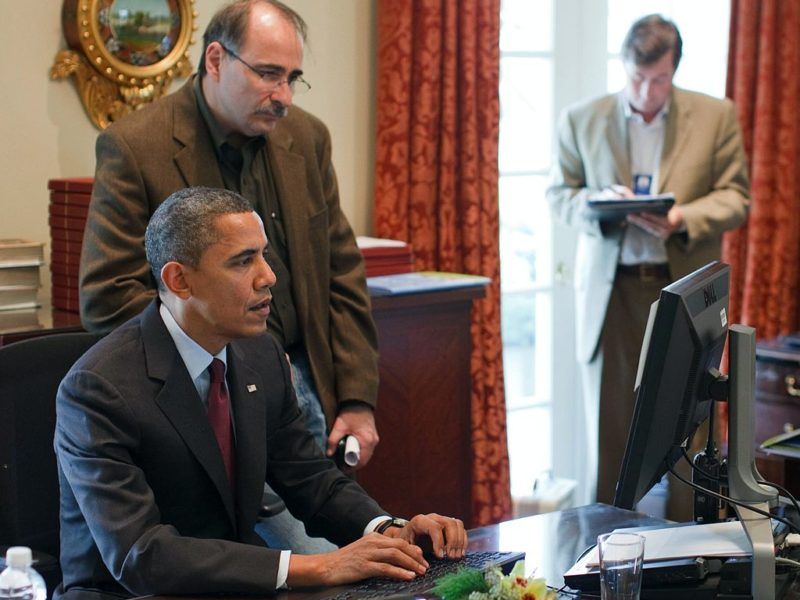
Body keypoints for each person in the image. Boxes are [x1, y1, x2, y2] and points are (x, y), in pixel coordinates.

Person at [54, 187, 467, 600]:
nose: (268, 276)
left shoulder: (260, 352)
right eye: (242, 261)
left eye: (264, 255)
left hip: (234, 586)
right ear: (179, 280)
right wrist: (321, 565)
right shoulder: (98, 389)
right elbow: (141, 555)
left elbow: (309, 478)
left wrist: (389, 530)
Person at [79, 0, 379, 471]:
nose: (284, 96)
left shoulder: (308, 138)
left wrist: (358, 397)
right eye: (268, 74)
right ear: (216, 60)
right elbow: (107, 295)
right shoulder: (136, 146)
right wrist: (232, 358)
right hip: (206, 395)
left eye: (292, 78)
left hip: (309, 386)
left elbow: (341, 274)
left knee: (335, 514)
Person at [546, 14, 750, 512]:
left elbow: (736, 197)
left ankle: (690, 539)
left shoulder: (715, 116)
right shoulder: (581, 118)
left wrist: (682, 217)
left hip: (684, 292)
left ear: (673, 70)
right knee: (610, 430)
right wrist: (599, 203)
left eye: (658, 79)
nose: (646, 91)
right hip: (613, 292)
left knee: (690, 422)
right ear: (624, 65)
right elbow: (560, 195)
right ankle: (602, 542)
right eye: (637, 77)